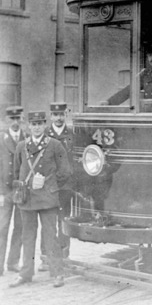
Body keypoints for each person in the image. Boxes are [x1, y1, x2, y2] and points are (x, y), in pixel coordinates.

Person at [10, 111, 71, 288]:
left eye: (40, 124)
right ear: (28, 126)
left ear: (45, 125)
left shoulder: (55, 145)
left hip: (47, 198)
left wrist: (49, 184)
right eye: (33, 124)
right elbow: (16, 171)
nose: (36, 127)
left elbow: (65, 171)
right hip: (27, 199)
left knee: (50, 236)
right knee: (27, 236)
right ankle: (26, 273)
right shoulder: (22, 146)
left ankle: (57, 273)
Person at [38, 102, 74, 272]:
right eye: (55, 115)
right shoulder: (44, 134)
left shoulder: (72, 134)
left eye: (62, 115)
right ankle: (45, 258)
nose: (59, 118)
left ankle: (64, 256)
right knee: (48, 221)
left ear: (65, 115)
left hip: (66, 186)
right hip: (49, 186)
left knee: (64, 220)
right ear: (51, 116)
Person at [107, 41, 152, 112]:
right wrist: (109, 103)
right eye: (150, 55)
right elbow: (130, 89)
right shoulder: (145, 73)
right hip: (147, 114)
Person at [0, 106, 25, 275]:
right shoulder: (1, 139)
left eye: (18, 119)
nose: (15, 122)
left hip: (22, 191)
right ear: (7, 120)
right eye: (12, 119)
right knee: (2, 227)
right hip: (5, 191)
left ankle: (13, 262)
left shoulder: (27, 138)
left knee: (20, 227)